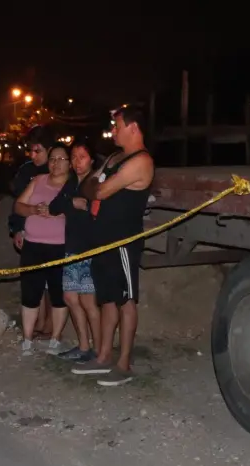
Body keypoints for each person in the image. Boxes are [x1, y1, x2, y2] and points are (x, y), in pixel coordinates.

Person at [73, 105, 154, 386]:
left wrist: (95, 185)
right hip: (102, 240)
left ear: (134, 127)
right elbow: (86, 185)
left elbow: (100, 189)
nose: (113, 130)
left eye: (118, 126)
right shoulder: (115, 157)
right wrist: (94, 185)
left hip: (123, 241)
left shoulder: (141, 161)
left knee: (126, 300)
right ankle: (104, 356)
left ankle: (125, 363)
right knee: (107, 299)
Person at [13, 143, 71, 355]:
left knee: (58, 295)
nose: (56, 163)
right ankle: (27, 339)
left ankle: (55, 339)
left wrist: (58, 212)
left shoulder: (73, 187)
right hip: (33, 245)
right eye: (53, 159)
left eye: (61, 159)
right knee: (30, 292)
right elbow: (18, 205)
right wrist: (33, 210)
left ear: (70, 163)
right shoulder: (38, 181)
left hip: (60, 247)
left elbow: (79, 214)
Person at [46, 140, 99, 362]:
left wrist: (81, 205)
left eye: (82, 157)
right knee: (70, 297)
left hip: (90, 249)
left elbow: (95, 211)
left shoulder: (96, 182)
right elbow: (54, 206)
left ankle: (99, 348)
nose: (78, 162)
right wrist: (71, 202)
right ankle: (84, 346)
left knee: (88, 301)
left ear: (92, 160)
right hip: (72, 248)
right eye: (74, 157)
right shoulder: (71, 183)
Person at [8, 132, 53, 335]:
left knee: (53, 282)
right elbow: (18, 203)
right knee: (34, 280)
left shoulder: (60, 171)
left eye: (38, 150)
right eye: (31, 150)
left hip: (55, 234)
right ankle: (38, 322)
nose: (33, 155)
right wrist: (17, 229)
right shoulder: (26, 172)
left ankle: (50, 324)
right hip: (31, 232)